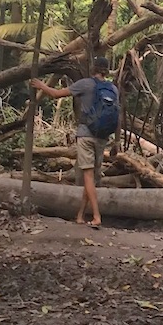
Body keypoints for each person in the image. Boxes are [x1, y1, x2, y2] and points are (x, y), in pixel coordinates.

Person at [30, 55, 118, 229]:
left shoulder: (85, 84)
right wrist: (117, 141)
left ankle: (96, 216)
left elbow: (56, 94)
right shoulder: (113, 89)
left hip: (86, 134)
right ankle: (80, 215)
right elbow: (118, 115)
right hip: (103, 137)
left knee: (88, 176)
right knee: (91, 179)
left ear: (93, 68)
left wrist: (41, 86)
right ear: (106, 71)